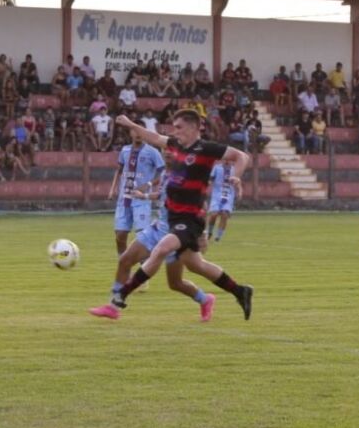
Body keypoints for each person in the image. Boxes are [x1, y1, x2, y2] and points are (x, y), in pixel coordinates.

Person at [90, 110, 254, 320]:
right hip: (169, 221)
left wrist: (236, 176)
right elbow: (154, 137)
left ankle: (117, 301)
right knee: (189, 271)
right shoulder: (176, 145)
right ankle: (238, 291)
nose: (174, 132)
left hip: (189, 220)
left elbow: (242, 156)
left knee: (161, 250)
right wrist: (130, 123)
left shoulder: (206, 148)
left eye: (179, 127)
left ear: (195, 127)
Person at [96, 154, 217, 321]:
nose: (167, 154)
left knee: (175, 283)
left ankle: (205, 299)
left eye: (171, 151)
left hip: (175, 236)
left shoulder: (185, 176)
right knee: (125, 260)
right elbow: (161, 196)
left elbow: (201, 204)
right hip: (156, 230)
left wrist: (202, 234)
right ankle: (112, 307)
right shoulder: (166, 174)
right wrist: (144, 195)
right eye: (165, 150)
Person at [107, 129, 165, 257]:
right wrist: (113, 188)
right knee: (120, 235)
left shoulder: (152, 152)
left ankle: (144, 266)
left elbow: (164, 173)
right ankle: (122, 262)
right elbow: (119, 170)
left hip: (141, 200)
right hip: (124, 199)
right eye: (134, 130)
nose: (138, 134)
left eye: (141, 131)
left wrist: (149, 184)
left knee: (141, 236)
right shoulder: (125, 150)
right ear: (131, 133)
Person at [206, 160, 238, 242]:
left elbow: (238, 181)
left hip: (228, 194)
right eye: (226, 159)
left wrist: (240, 190)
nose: (227, 161)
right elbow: (211, 179)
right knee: (214, 214)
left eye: (229, 159)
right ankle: (209, 232)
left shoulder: (234, 170)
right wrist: (207, 185)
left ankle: (218, 237)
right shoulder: (217, 168)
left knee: (224, 215)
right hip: (216, 194)